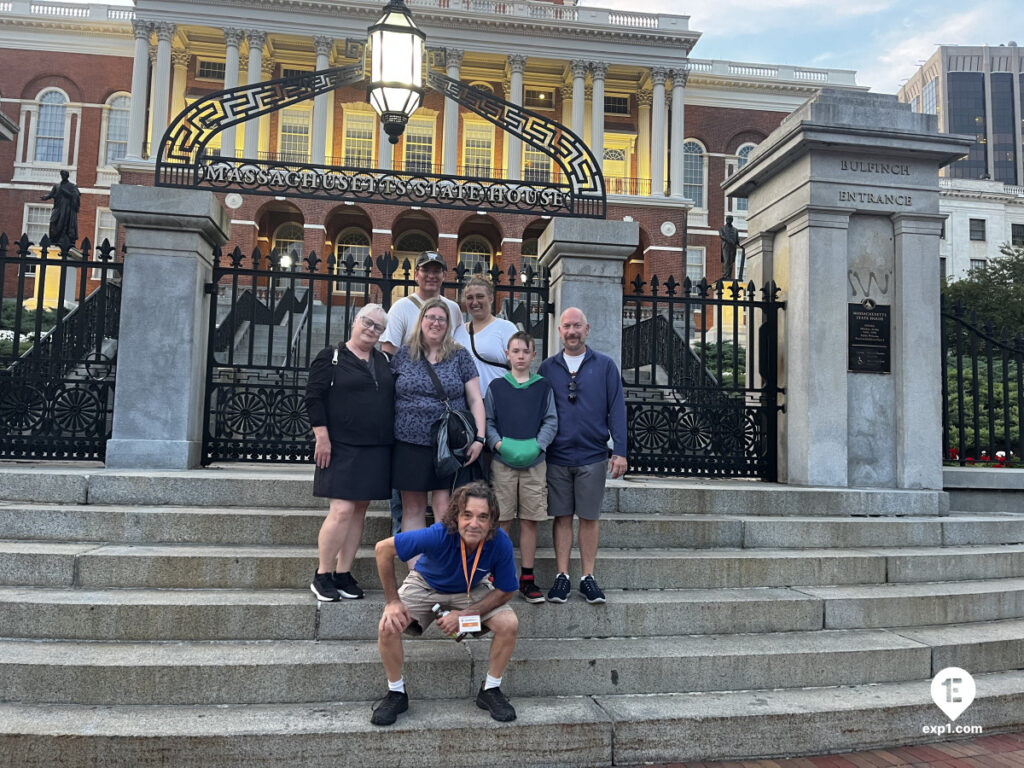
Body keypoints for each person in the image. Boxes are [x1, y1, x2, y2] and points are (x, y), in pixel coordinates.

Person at [371, 481, 519, 726]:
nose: (474, 524)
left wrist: (465, 615)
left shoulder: (500, 541)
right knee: (388, 625)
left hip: (471, 590)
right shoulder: (439, 534)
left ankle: (490, 690)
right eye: (467, 515)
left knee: (509, 623)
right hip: (426, 585)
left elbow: (506, 590)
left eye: (483, 517)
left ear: (492, 521)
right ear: (456, 517)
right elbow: (383, 549)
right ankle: (396, 692)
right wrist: (392, 601)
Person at [303, 304, 394, 602]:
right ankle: (322, 574)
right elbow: (313, 397)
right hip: (340, 446)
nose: (371, 329)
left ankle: (343, 573)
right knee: (341, 510)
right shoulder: (331, 358)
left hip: (375, 447)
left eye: (378, 327)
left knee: (359, 511)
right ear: (355, 321)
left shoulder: (383, 360)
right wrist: (322, 436)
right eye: (367, 322)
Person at [537, 307, 627, 605]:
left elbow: (617, 410)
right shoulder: (548, 368)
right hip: (557, 455)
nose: (572, 331)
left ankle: (588, 577)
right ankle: (562, 576)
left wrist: (621, 451)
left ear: (587, 329)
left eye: (577, 326)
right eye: (567, 326)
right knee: (562, 517)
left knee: (589, 517)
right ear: (559, 331)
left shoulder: (605, 366)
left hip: (593, 454)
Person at [381, 250, 463, 535]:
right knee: (406, 501)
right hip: (409, 412)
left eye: (436, 270)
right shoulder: (401, 307)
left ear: (443, 275)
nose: (431, 275)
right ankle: (402, 543)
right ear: (416, 275)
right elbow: (388, 353)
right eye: (425, 270)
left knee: (442, 499)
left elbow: (455, 350)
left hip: (441, 422)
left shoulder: (452, 309)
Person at [390, 297, 486, 535]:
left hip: (446, 444)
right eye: (430, 317)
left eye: (441, 319)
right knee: (413, 508)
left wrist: (480, 438)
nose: (435, 323)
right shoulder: (403, 356)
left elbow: (475, 399)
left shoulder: (460, 356)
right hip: (408, 442)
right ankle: (417, 571)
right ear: (421, 321)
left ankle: (441, 568)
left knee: (444, 507)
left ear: (448, 324)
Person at [484, 331, 557, 603]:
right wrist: (498, 444)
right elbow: (488, 420)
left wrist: (539, 445)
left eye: (525, 351)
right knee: (502, 519)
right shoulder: (497, 387)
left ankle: (527, 577)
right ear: (508, 355)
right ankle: (499, 574)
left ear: (533, 355)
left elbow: (551, 420)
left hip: (534, 464)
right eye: (515, 351)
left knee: (529, 519)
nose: (520, 356)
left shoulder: (543, 387)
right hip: (503, 462)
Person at [453, 275, 517, 396]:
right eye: (470, 298)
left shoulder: (506, 328)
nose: (475, 302)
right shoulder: (458, 332)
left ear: (491, 298)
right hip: (466, 404)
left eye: (480, 296)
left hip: (498, 401)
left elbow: (519, 367)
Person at [40, 170, 80, 246]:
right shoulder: (57, 186)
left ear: (67, 176)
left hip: (67, 208)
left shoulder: (72, 186)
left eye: (64, 175)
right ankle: (53, 238)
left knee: (64, 223)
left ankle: (63, 238)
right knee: (53, 221)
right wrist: (45, 197)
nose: (63, 176)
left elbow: (76, 195)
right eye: (62, 175)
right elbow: (51, 194)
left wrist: (66, 192)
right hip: (57, 207)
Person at [719, 215, 740, 281]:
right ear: (726, 220)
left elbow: (737, 240)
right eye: (727, 219)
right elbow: (722, 236)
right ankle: (725, 275)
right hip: (726, 247)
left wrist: (741, 245)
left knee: (731, 262)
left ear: (732, 220)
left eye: (730, 219)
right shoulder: (722, 228)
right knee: (726, 261)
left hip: (733, 247)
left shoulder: (735, 230)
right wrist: (730, 241)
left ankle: (729, 276)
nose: (728, 220)